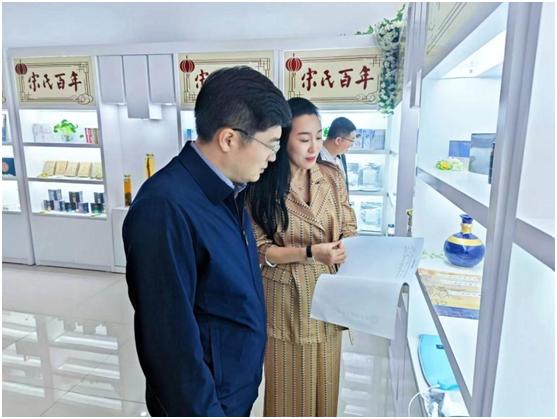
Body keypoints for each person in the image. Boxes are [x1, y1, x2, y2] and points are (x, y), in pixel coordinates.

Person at [123, 66, 291, 417]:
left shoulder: (229, 190)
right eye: (270, 144)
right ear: (229, 139)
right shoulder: (164, 208)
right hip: (206, 404)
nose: (273, 157)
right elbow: (168, 345)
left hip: (231, 391)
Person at [248, 98, 358, 417]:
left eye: (319, 137)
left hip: (331, 292)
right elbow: (259, 249)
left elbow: (348, 222)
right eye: (304, 138)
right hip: (286, 298)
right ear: (283, 140)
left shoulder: (331, 176)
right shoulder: (260, 184)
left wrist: (348, 245)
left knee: (326, 382)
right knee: (289, 390)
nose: (314, 147)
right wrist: (310, 253)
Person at [319, 117, 357, 191]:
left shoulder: (342, 157)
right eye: (351, 140)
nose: (352, 145)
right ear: (338, 140)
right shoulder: (314, 157)